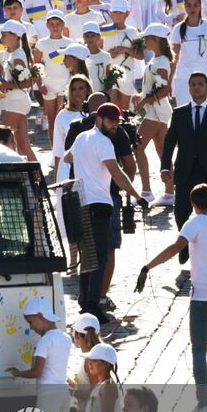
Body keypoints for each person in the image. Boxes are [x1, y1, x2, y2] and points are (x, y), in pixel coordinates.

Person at [138, 183, 207, 412]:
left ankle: (203, 405)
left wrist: (148, 267)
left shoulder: (194, 223)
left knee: (199, 349)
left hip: (203, 296)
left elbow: (175, 249)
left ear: (193, 204)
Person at [65, 102, 148, 321]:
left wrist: (86, 164)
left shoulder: (82, 138)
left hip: (81, 203)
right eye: (111, 121)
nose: (114, 126)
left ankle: (85, 301)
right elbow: (117, 173)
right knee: (99, 257)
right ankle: (92, 305)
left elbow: (67, 158)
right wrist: (138, 197)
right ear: (99, 119)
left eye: (117, 122)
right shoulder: (103, 142)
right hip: (99, 203)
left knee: (87, 256)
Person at [160, 71, 207, 289]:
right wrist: (166, 166)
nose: (196, 88)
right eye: (192, 84)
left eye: (200, 84)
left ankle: (206, 249)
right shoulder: (179, 113)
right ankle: (184, 245)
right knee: (181, 210)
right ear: (189, 88)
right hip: (184, 170)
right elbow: (169, 141)